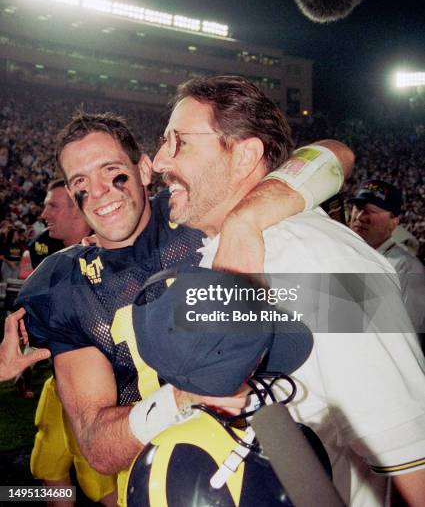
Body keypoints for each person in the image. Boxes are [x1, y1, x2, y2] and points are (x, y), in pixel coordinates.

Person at [17, 109, 350, 502]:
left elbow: (335, 153)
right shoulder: (65, 283)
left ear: (143, 169)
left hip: (263, 467)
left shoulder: (194, 211)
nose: (100, 191)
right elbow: (98, 445)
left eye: (111, 171)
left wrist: (247, 217)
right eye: (81, 182)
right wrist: (185, 395)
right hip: (155, 485)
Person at [150, 75, 425, 506]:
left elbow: (413, 460)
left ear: (244, 156)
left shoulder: (318, 261)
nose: (156, 161)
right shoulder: (215, 249)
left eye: (178, 142)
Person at [28, 179, 116, 507]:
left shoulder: (110, 254)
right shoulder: (49, 252)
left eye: (53, 205)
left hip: (94, 383)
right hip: (59, 378)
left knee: (100, 482)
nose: (44, 212)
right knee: (47, 461)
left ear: (78, 212)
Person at [349, 179, 425, 334]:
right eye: (358, 207)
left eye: (373, 211)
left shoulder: (407, 268)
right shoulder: (340, 252)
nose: (361, 216)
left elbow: (409, 333)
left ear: (393, 223)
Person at [0, 308, 50, 382]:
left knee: (23, 366)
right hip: (32, 338)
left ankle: (25, 388)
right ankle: (24, 389)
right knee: (23, 366)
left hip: (34, 336)